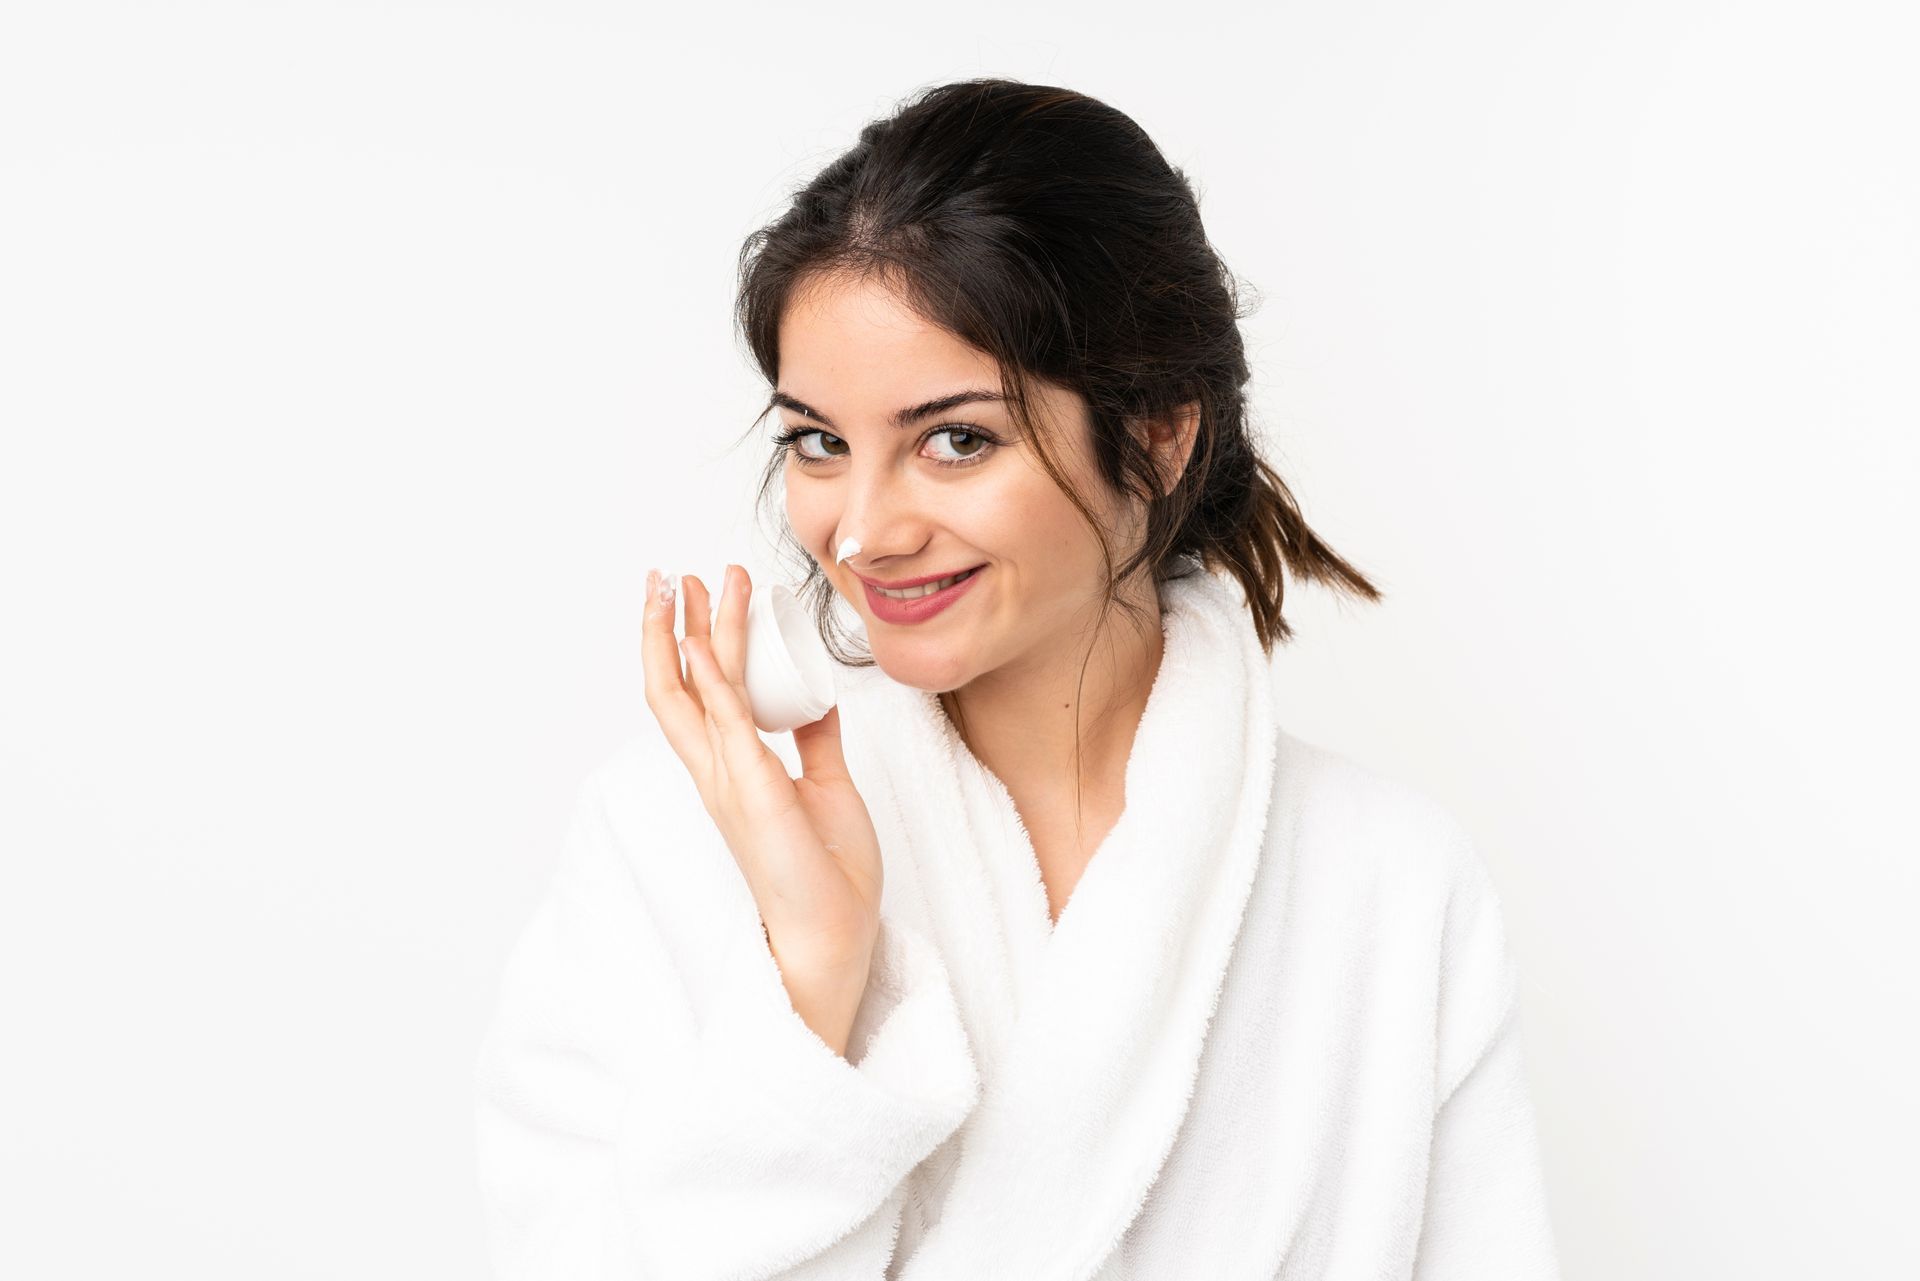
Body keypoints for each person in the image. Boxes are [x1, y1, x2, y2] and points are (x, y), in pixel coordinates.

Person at [474, 77, 1563, 1279]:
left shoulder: (1387, 888)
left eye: (956, 439)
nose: (864, 530)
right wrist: (814, 978)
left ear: (1157, 433)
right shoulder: (667, 841)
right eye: (820, 443)